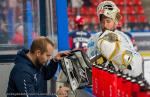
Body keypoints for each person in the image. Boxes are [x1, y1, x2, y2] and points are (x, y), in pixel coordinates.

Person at [87, 1, 143, 77]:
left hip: (116, 82)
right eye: (102, 22)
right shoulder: (92, 39)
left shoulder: (123, 37)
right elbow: (89, 63)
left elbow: (134, 63)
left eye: (108, 21)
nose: (105, 25)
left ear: (115, 21)